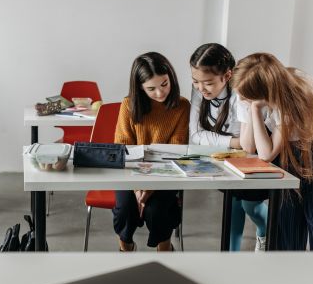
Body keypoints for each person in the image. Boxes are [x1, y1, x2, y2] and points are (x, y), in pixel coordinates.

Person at [232, 53, 313, 250]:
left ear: (264, 93)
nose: (240, 98)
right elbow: (248, 146)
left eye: (246, 96)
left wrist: (255, 109)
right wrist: (253, 108)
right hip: (288, 144)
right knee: (287, 217)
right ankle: (287, 272)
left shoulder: (292, 100)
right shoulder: (248, 91)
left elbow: (266, 154)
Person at [189, 43, 268, 251]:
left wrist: (232, 141)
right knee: (233, 206)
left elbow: (248, 144)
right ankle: (231, 257)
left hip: (257, 155)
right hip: (227, 157)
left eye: (207, 83)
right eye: (195, 81)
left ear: (227, 75)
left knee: (250, 206)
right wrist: (234, 142)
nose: (200, 88)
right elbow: (196, 135)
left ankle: (265, 232)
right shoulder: (199, 91)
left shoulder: (242, 93)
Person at [114, 52, 190, 252]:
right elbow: (123, 150)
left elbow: (175, 151)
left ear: (170, 77)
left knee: (157, 212)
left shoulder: (182, 106)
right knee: (126, 211)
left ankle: (164, 248)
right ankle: (125, 246)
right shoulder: (128, 105)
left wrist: (151, 186)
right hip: (129, 175)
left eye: (164, 84)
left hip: (166, 174)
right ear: (139, 87)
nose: (160, 92)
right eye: (151, 88)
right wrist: (138, 187)